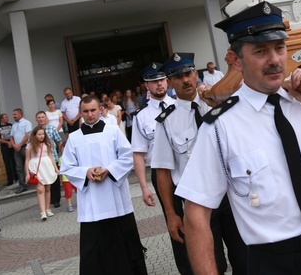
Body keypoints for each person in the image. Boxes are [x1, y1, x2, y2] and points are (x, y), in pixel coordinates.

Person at [176, 1, 301, 274]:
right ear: (235, 61)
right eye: (260, 51)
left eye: (280, 48)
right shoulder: (220, 127)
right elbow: (196, 214)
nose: (275, 60)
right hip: (275, 263)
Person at [153, 52, 247, 274]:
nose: (185, 80)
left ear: (196, 74)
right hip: (198, 204)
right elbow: (163, 173)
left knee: (246, 259)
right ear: (170, 82)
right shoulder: (166, 122)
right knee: (209, 265)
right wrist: (171, 214)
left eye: (188, 74)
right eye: (178, 77)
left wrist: (215, 101)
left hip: (232, 196)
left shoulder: (218, 103)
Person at [60, 96, 147, 274]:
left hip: (116, 200)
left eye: (93, 110)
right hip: (92, 204)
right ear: (80, 112)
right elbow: (67, 167)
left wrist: (110, 170)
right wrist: (86, 172)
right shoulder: (74, 138)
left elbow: (127, 156)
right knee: (94, 249)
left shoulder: (113, 131)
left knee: (124, 242)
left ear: (100, 109)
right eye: (85, 111)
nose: (90, 115)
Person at [132, 61, 192, 274]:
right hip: (162, 173)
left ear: (167, 81)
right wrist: (144, 187)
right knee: (175, 221)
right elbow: (138, 154)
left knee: (201, 217)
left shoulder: (183, 105)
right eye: (153, 81)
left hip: (187, 166)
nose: (159, 84)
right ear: (146, 86)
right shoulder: (141, 117)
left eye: (161, 79)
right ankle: (187, 269)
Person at [25, 126, 59, 221]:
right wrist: (27, 173)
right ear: (34, 135)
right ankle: (43, 212)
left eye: (43, 134)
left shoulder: (47, 144)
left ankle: (48, 208)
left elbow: (51, 156)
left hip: (47, 167)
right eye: (39, 134)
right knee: (40, 190)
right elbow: (27, 160)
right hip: (35, 168)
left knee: (48, 188)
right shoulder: (30, 146)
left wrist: (56, 169)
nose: (41, 136)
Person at [36, 110, 63, 209]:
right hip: (41, 160)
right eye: (39, 117)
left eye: (43, 117)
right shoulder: (34, 131)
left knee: (54, 179)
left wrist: (61, 153)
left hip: (53, 158)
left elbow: (59, 141)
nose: (41, 119)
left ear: (46, 118)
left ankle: (56, 200)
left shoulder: (52, 129)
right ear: (36, 120)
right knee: (45, 180)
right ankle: (49, 199)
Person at [10, 108, 33, 194]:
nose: (13, 116)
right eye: (13, 114)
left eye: (15, 114)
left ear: (20, 114)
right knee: (19, 168)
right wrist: (14, 146)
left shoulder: (27, 123)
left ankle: (34, 180)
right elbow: (11, 137)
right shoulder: (13, 125)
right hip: (17, 149)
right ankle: (22, 186)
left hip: (25, 147)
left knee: (30, 165)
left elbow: (27, 135)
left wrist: (19, 145)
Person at [0, 113, 16, 186]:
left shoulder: (11, 125)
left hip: (12, 145)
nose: (7, 118)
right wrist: (7, 142)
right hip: (4, 146)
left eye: (7, 117)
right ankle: (10, 180)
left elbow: (15, 135)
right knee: (7, 163)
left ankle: (17, 177)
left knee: (14, 161)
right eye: (5, 117)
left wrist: (11, 142)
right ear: (2, 119)